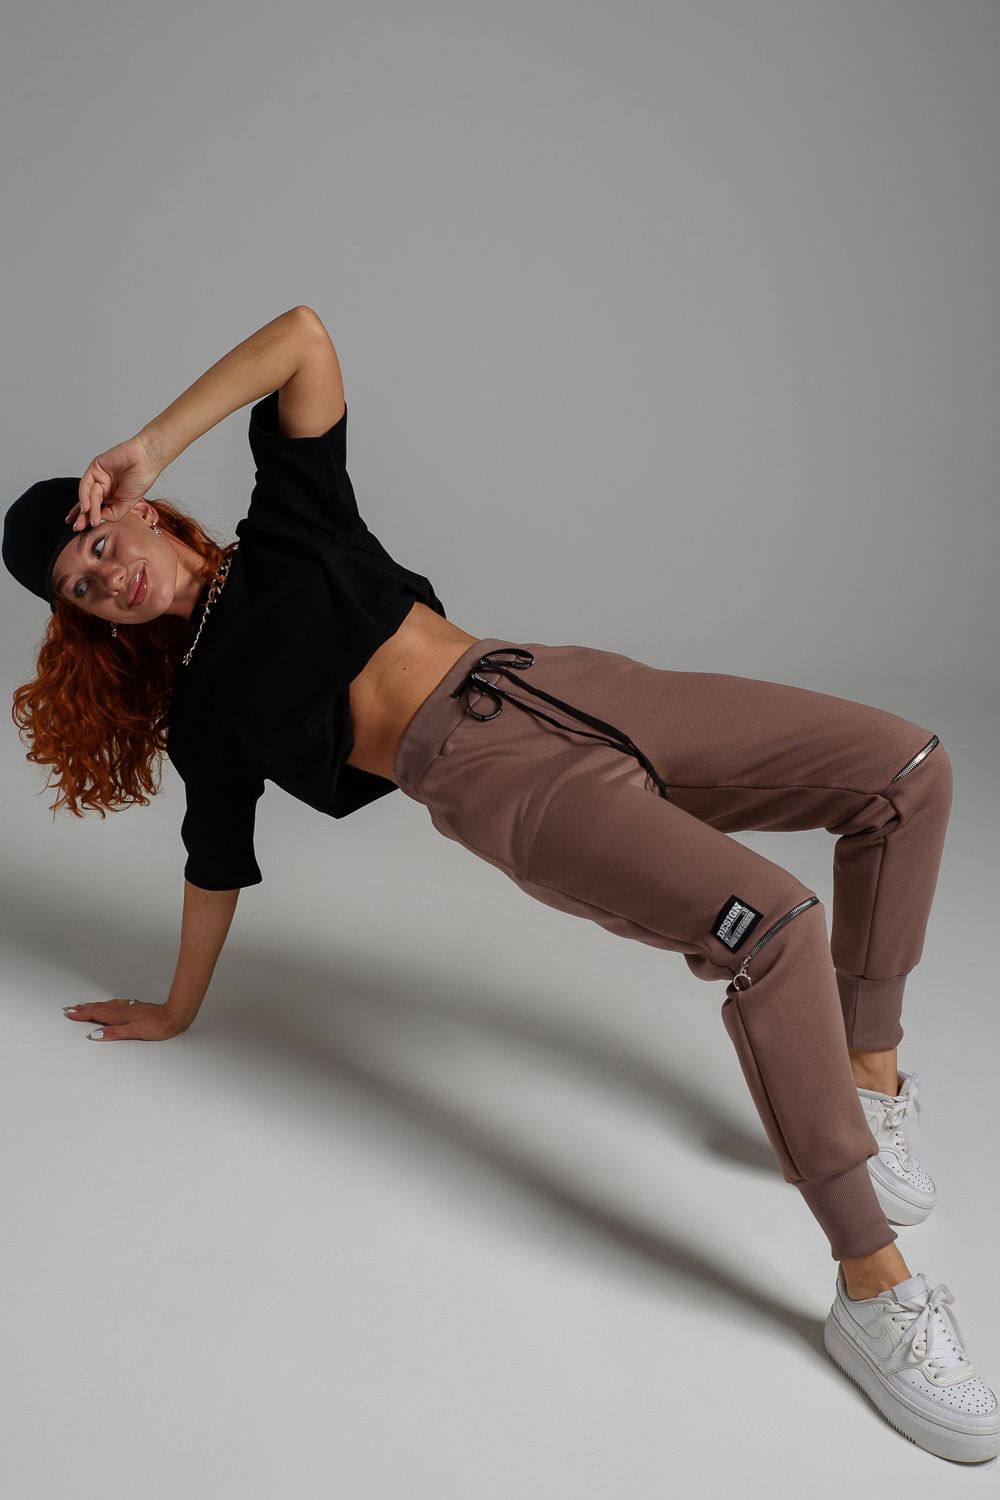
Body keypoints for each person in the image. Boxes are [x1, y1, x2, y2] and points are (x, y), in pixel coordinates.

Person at [4, 305, 997, 1464]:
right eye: (80, 592)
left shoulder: (291, 521)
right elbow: (213, 862)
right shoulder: (205, 709)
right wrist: (179, 1007)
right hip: (497, 781)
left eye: (95, 549)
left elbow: (304, 339)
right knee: (772, 927)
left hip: (566, 681)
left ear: (131, 511)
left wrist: (150, 441)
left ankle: (866, 1081)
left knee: (904, 771)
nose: (106, 581)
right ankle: (873, 1290)